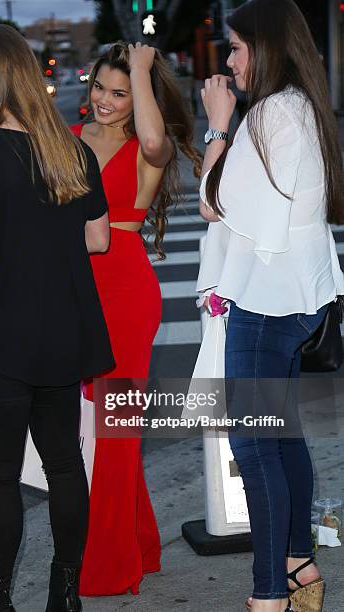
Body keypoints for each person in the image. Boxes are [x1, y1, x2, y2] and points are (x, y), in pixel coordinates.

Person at [0, 24, 115, 612]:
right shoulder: (73, 150)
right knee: (66, 464)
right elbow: (98, 241)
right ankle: (64, 593)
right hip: (63, 339)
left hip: (2, 344)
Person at [196, 1, 344, 611]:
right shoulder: (304, 108)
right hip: (299, 296)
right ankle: (300, 569)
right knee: (281, 439)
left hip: (265, 303)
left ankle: (269, 597)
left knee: (256, 449)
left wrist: (218, 124)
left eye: (235, 48)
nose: (229, 62)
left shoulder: (268, 117)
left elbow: (212, 201)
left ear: (266, 48)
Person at [70, 41, 202, 597]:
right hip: (71, 292)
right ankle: (143, 544)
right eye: (99, 87)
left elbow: (150, 138)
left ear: (140, 95)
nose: (104, 100)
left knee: (117, 433)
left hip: (125, 291)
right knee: (98, 430)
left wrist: (143, 68)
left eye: (120, 93)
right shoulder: (71, 139)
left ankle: (109, 567)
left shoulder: (154, 145)